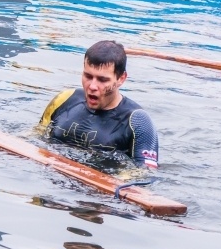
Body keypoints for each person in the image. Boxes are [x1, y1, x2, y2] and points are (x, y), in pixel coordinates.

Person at [38, 40, 159, 169]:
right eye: (88, 76)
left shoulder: (138, 122)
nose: (92, 86)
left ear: (121, 79)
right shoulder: (64, 99)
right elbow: (36, 136)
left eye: (102, 80)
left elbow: (144, 174)